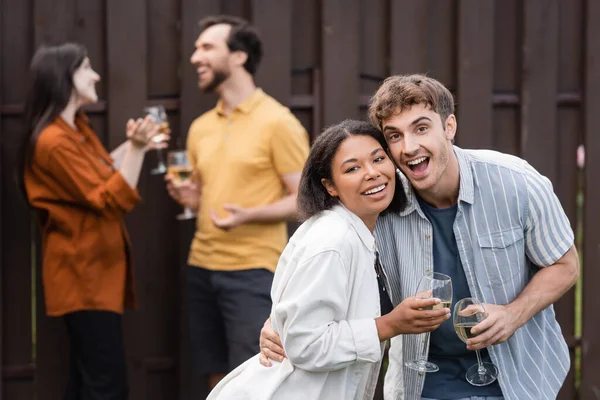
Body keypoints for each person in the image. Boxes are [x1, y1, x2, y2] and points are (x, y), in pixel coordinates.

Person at [260, 74, 579, 400]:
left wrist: (513, 314)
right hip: (422, 383)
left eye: (421, 128)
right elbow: (321, 257)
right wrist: (279, 320)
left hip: (518, 379)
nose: (409, 147)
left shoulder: (515, 181)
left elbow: (565, 264)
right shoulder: (379, 201)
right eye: (394, 136)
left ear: (449, 127)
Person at [208, 119, 433, 400]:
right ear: (330, 186)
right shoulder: (333, 241)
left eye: (378, 159)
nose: (372, 173)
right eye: (352, 168)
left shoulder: (361, 227)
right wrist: (390, 325)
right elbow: (305, 343)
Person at [164, 15, 310, 389]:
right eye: (196, 48)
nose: (196, 56)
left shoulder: (278, 122)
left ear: (239, 56)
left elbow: (305, 200)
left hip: (253, 272)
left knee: (253, 377)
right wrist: (189, 198)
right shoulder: (200, 127)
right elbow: (202, 198)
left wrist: (250, 215)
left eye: (207, 47)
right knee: (215, 376)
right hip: (202, 266)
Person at [16, 43, 166, 399]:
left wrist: (133, 144)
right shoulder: (53, 141)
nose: (96, 75)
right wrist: (140, 149)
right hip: (82, 274)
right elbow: (110, 200)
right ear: (64, 78)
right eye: (87, 68)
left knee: (91, 380)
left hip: (94, 271)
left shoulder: (75, 129)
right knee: (106, 385)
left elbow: (101, 174)